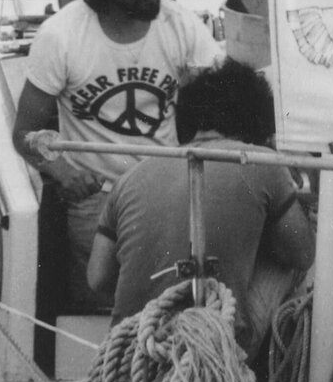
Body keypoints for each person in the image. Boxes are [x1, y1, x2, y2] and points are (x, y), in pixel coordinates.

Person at [12, 0, 221, 305]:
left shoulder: (181, 26)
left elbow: (220, 102)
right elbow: (23, 133)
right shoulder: (61, 36)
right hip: (96, 201)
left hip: (169, 192)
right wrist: (60, 170)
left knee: (171, 306)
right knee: (102, 310)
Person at [86, 59, 315, 360]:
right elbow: (302, 255)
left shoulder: (130, 177)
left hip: (131, 347)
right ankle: (271, 376)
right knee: (292, 252)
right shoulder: (263, 163)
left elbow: (98, 278)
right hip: (213, 346)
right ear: (257, 119)